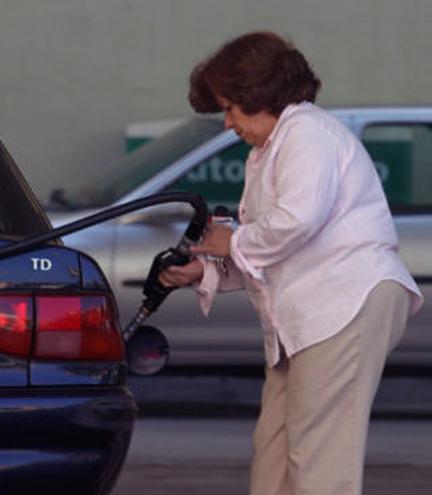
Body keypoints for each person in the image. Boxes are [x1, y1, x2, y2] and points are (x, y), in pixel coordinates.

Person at [160, 31, 423, 495]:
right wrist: (204, 271)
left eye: (230, 108)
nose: (227, 124)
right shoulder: (270, 150)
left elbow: (295, 223)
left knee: (319, 455)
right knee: (275, 452)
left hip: (346, 305)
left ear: (259, 95)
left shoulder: (307, 134)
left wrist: (231, 240)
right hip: (312, 318)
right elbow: (276, 247)